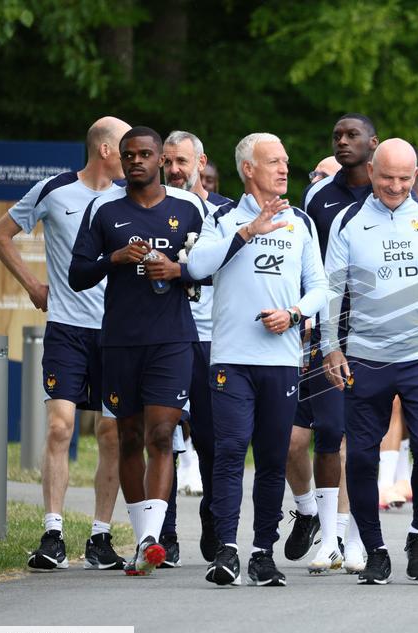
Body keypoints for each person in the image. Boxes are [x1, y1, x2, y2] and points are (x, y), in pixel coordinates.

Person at [321, 138, 418, 584]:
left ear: (416, 176)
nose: (396, 186)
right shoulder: (348, 222)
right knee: (362, 458)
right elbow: (331, 290)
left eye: (406, 178)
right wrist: (331, 345)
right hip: (365, 357)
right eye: (387, 177)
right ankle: (375, 548)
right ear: (370, 172)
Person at [0, 116, 130, 572]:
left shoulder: (132, 196)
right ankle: (52, 533)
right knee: (59, 427)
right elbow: (0, 235)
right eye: (126, 148)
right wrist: (32, 284)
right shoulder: (54, 189)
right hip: (66, 328)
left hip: (117, 334)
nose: (134, 157)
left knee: (111, 432)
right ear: (104, 149)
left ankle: (101, 537)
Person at [187, 132, 327, 587]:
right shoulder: (223, 217)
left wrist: (294, 314)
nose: (284, 169)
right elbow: (196, 267)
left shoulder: (301, 221)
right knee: (229, 453)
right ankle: (226, 551)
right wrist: (249, 231)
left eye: (286, 161)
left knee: (271, 458)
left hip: (281, 359)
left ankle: (262, 552)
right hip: (230, 357)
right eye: (273, 162)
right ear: (249, 169)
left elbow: (321, 288)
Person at [69, 126, 209, 575]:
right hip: (120, 341)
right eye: (128, 155)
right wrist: (115, 259)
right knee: (128, 437)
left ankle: (151, 538)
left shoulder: (188, 207)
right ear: (120, 160)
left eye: (145, 154)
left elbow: (211, 270)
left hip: (172, 339)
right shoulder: (104, 209)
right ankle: (139, 536)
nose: (136, 161)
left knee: (162, 434)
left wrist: (177, 270)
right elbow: (77, 274)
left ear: (161, 161)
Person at [288, 113, 378, 575]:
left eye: (351, 135)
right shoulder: (318, 196)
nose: (342, 142)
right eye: (337, 135)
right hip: (324, 331)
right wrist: (306, 315)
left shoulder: (389, 194)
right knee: (306, 438)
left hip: (375, 333)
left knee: (353, 437)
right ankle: (318, 524)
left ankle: (351, 537)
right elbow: (309, 266)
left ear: (372, 142)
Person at [159, 129, 233, 565]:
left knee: (211, 439)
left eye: (181, 162)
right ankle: (164, 534)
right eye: (167, 162)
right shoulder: (153, 210)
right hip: (168, 337)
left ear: (201, 163)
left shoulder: (226, 213)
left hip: (215, 340)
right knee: (163, 434)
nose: (173, 170)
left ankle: (213, 519)